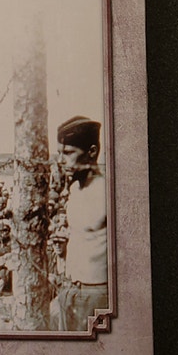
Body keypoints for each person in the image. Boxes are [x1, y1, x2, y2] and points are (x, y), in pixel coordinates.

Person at [56, 116, 108, 331]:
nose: (61, 160)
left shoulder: (108, 191)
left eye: (68, 153)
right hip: (69, 288)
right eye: (59, 153)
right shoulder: (74, 190)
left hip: (96, 293)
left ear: (92, 151)